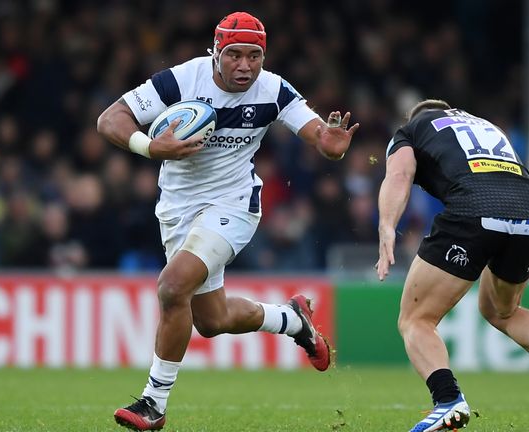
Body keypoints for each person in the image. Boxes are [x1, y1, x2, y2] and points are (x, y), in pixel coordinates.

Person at [96, 11, 359, 431]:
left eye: (254, 55)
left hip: (234, 203)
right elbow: (109, 119)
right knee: (211, 321)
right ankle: (293, 320)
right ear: (215, 52)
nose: (245, 65)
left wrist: (331, 143)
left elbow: (318, 135)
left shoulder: (273, 89)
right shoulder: (182, 80)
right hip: (178, 208)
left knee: (171, 285)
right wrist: (151, 148)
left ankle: (153, 403)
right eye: (234, 54)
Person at [376, 99, 529, 432]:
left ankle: (448, 399)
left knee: (416, 319)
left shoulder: (413, 129)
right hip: (528, 217)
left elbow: (400, 173)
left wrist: (387, 225)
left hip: (473, 212)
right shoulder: (489, 130)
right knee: (502, 311)